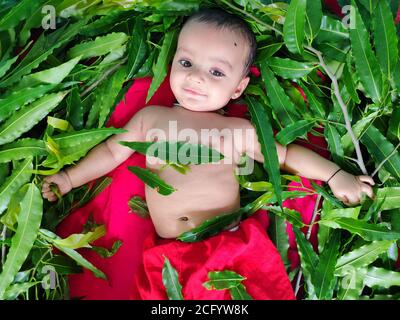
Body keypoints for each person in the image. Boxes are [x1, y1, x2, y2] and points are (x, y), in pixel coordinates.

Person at [41, 8, 375, 240]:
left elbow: (284, 157)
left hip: (225, 247)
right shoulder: (152, 119)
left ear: (239, 88)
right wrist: (69, 178)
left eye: (216, 72)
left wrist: (334, 174)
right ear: (171, 63)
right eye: (186, 62)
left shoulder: (238, 132)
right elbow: (112, 151)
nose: (196, 77)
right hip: (167, 255)